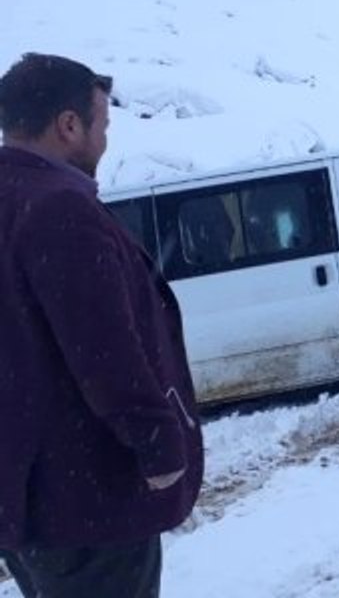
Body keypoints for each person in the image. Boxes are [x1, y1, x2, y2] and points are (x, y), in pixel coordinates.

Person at [0, 53, 204, 597]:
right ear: (69, 125)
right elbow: (104, 351)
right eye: (103, 125)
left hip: (27, 498)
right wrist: (158, 444)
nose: (105, 140)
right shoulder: (58, 209)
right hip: (88, 498)